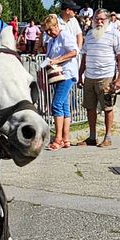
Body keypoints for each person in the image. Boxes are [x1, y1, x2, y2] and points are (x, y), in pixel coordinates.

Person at [76, 9, 120, 147]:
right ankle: (92, 137)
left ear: (108, 20)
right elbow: (84, 57)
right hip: (90, 76)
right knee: (90, 107)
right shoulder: (90, 34)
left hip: (106, 77)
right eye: (97, 19)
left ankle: (108, 137)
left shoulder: (114, 33)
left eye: (102, 19)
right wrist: (80, 75)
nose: (99, 21)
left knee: (107, 107)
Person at [42, 13, 78, 151]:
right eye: (47, 31)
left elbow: (74, 52)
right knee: (63, 106)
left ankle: (58, 138)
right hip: (57, 75)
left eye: (51, 29)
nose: (50, 33)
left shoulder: (64, 35)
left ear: (57, 26)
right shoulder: (52, 40)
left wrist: (57, 60)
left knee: (56, 104)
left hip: (66, 74)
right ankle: (65, 138)